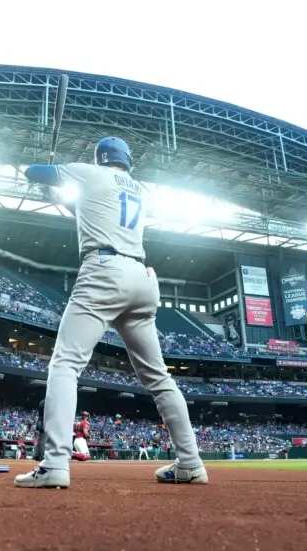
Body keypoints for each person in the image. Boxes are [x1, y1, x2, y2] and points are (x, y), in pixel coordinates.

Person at [15, 137, 205, 488]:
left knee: (65, 364)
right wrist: (66, 199)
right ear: (127, 161)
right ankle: (191, 463)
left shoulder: (89, 173)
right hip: (143, 278)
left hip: (104, 271)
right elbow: (98, 213)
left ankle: (55, 462)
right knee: (159, 378)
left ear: (100, 158)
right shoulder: (138, 191)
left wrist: (53, 170)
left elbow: (32, 172)